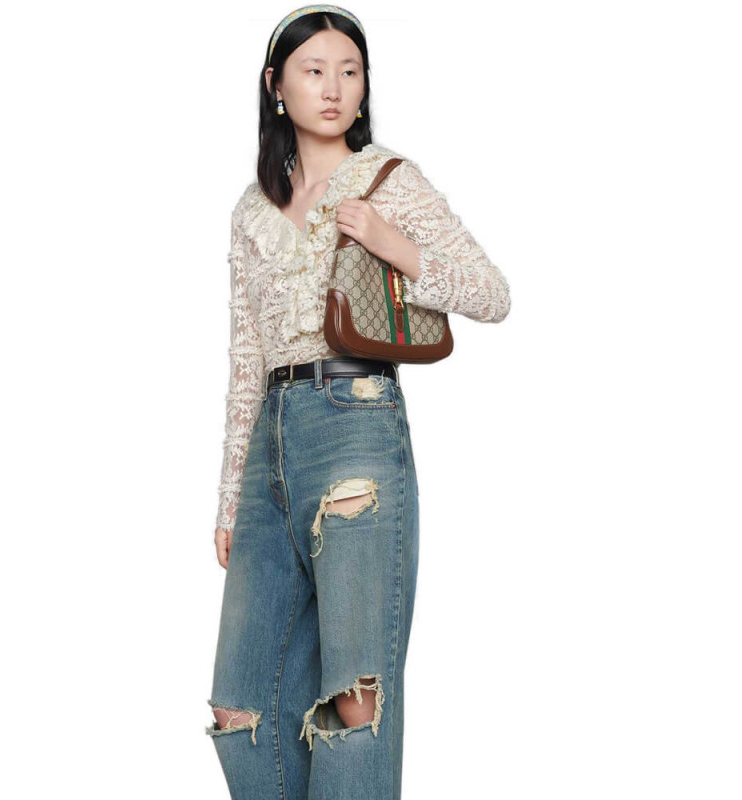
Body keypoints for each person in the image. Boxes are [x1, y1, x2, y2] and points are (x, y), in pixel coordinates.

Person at [205, 6, 511, 799]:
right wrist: (231, 494)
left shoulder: (388, 179)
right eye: (314, 71)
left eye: (350, 71)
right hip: (269, 445)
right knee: (240, 708)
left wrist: (390, 243)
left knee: (354, 699)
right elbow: (245, 356)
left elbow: (492, 293)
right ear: (276, 86)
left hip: (356, 425)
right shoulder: (251, 209)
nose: (334, 87)